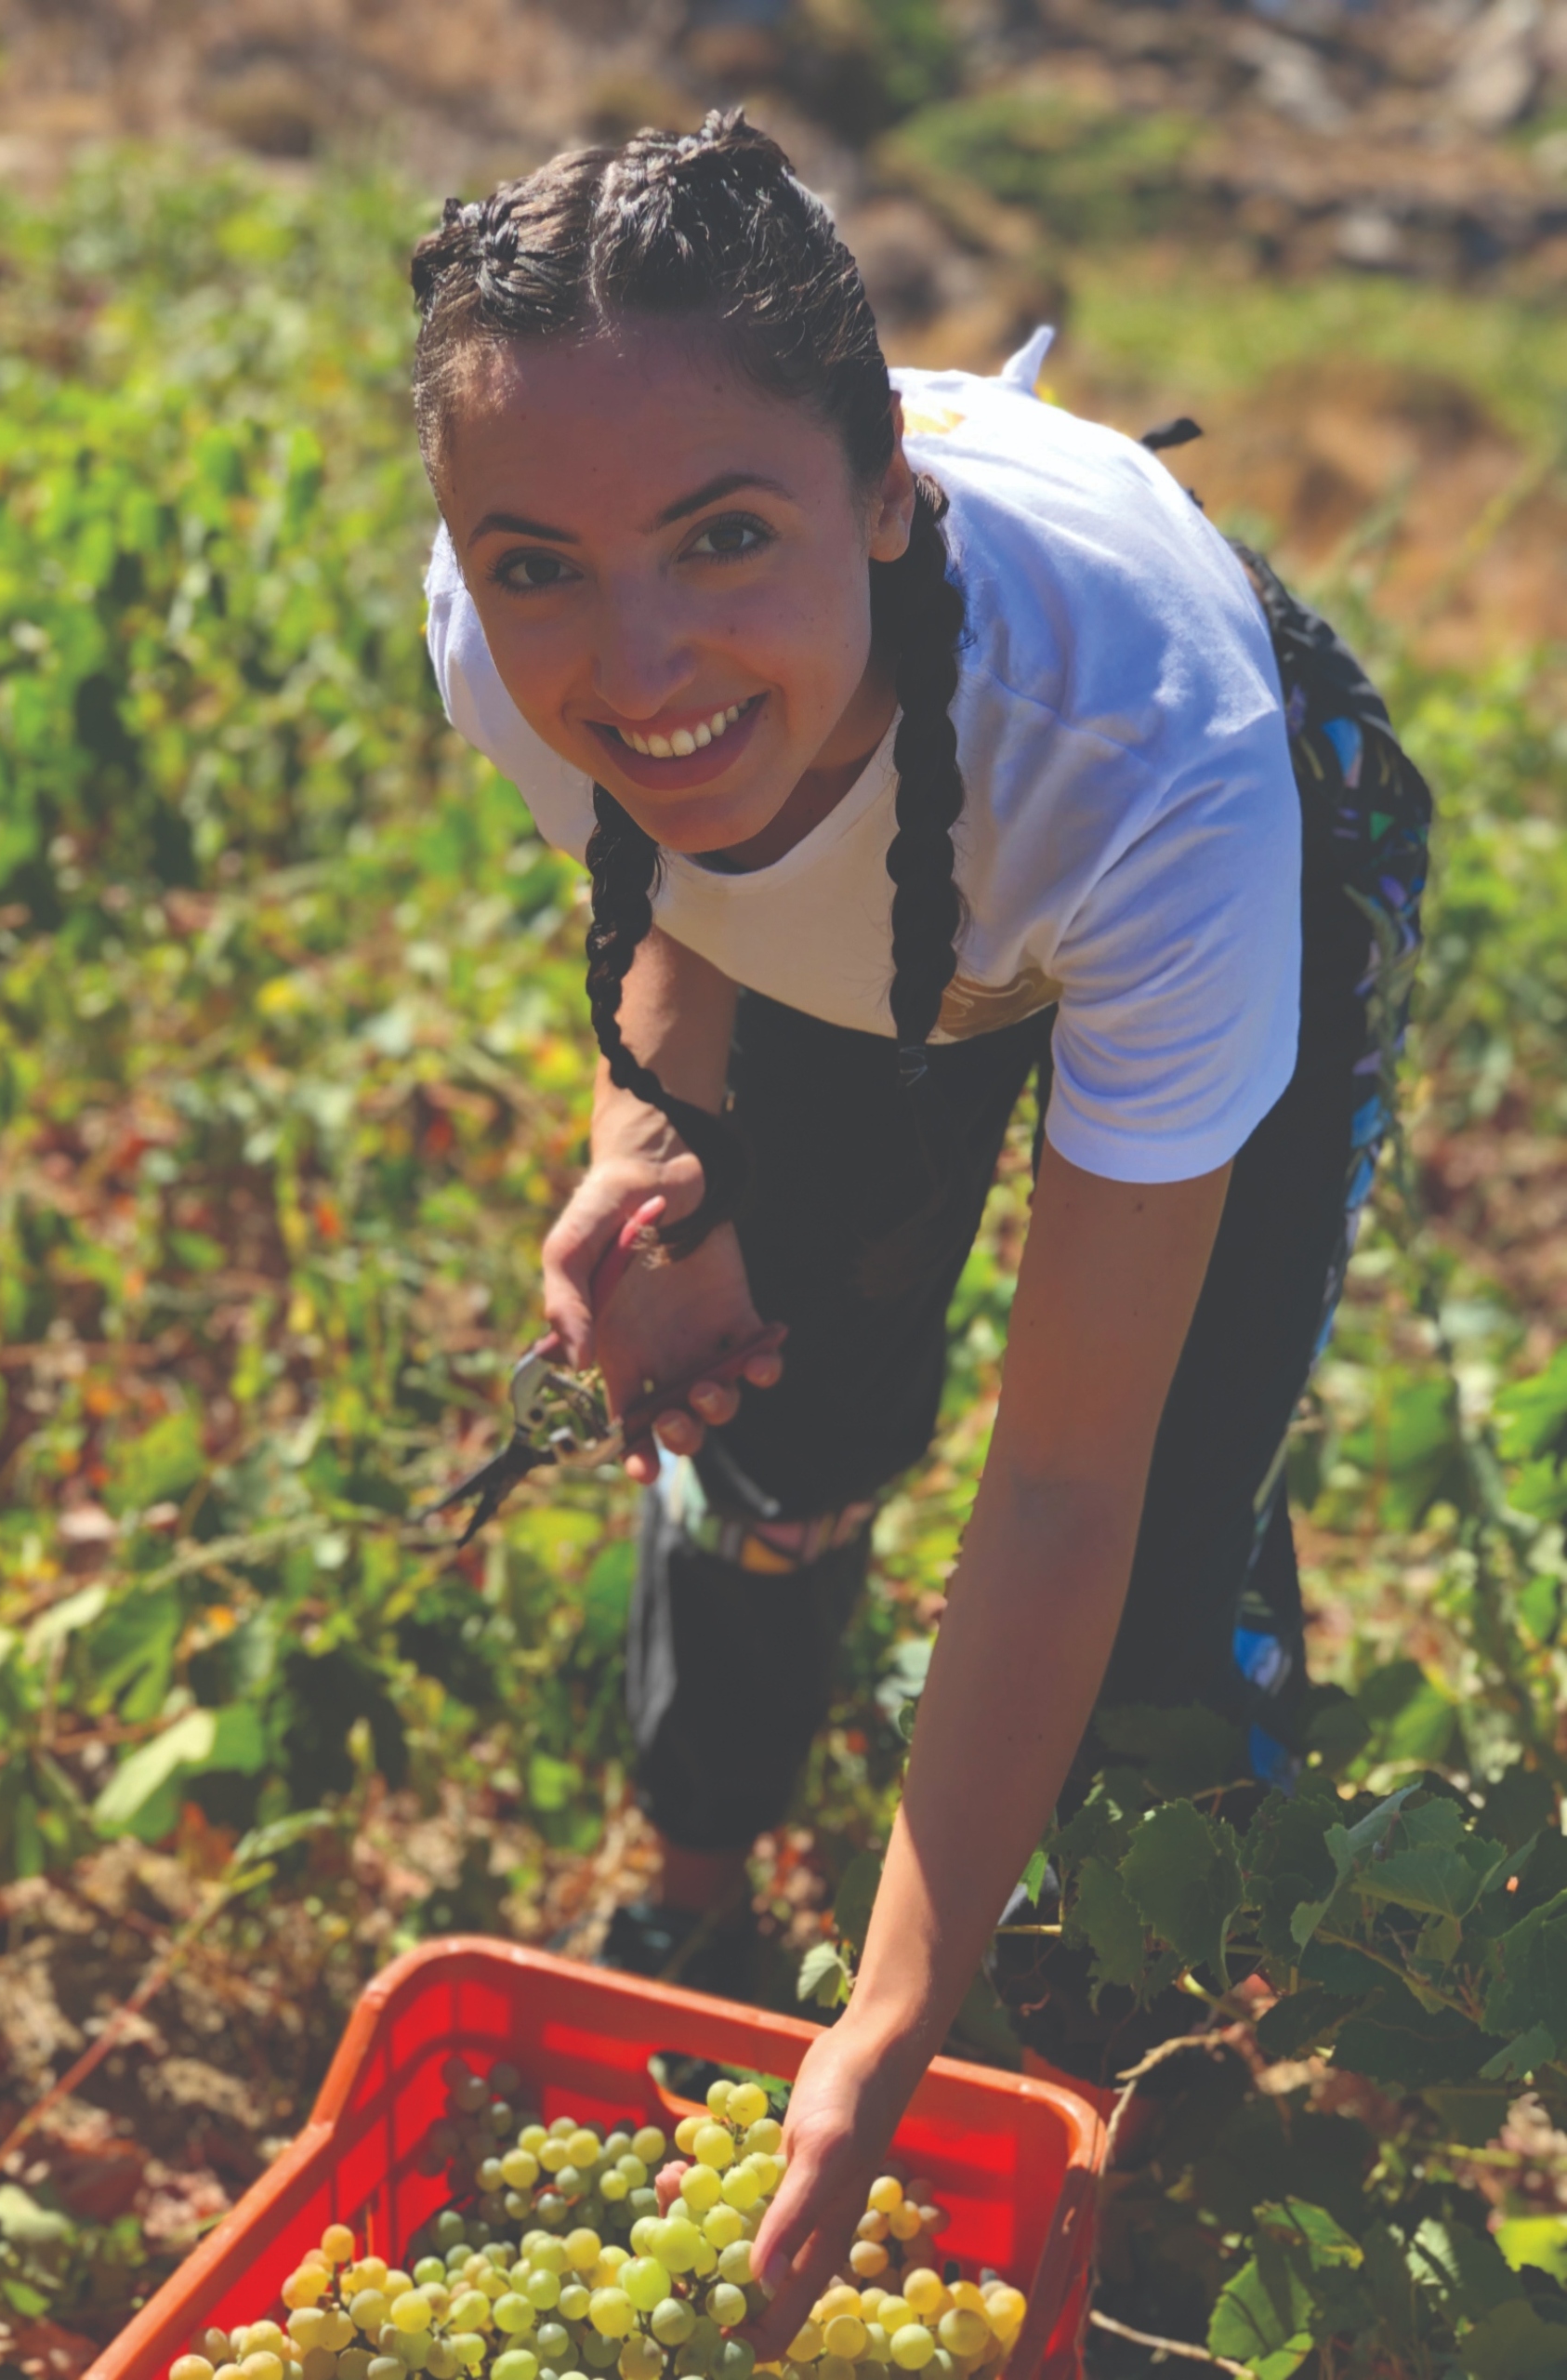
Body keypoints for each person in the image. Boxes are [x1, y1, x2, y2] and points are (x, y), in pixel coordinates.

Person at [410, 111, 1429, 2333]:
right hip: (889, 839)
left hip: (1172, 825)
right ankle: (693, 1893)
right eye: (544, 561)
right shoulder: (522, 643)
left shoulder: (1152, 759)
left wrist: (898, 2012)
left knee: (1152, 1521)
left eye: (723, 531)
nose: (634, 641)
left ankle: (1110, 2072)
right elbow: (674, 849)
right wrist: (645, 1147)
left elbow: (1053, 1475)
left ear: (883, 491)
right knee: (776, 1389)